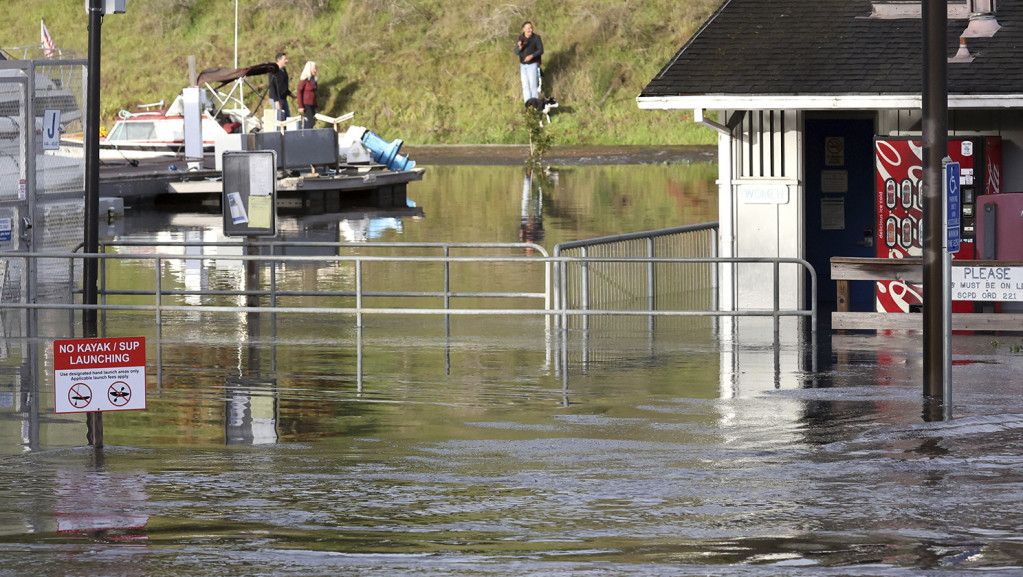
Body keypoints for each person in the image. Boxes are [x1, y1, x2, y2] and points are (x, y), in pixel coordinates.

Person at [514, 21, 543, 103]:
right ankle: (528, 106)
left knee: (533, 86)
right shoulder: (520, 38)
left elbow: (541, 50)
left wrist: (532, 56)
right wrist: (519, 47)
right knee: (525, 87)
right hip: (523, 66)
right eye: (528, 28)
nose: (530, 30)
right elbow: (516, 52)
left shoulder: (536, 38)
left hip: (533, 64)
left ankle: (536, 106)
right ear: (524, 29)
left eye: (531, 28)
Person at [268, 52, 294, 122]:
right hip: (276, 98)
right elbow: (272, 87)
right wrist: (276, 101)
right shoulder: (273, 71)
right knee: (279, 119)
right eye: (285, 59)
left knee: (287, 118)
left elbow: (283, 85)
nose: (286, 61)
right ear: (279, 60)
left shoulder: (283, 70)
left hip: (283, 98)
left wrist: (290, 94)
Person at [296, 61, 319, 129]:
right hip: (306, 104)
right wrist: (300, 106)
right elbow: (299, 92)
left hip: (312, 104)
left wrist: (316, 104)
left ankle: (310, 134)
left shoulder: (313, 79)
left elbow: (314, 92)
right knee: (311, 122)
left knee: (313, 120)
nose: (315, 70)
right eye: (314, 69)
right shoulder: (304, 80)